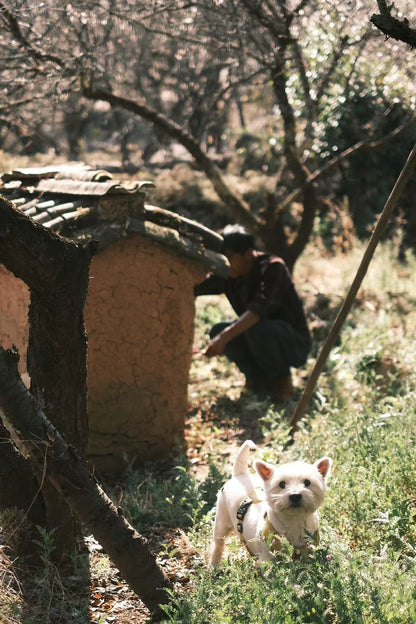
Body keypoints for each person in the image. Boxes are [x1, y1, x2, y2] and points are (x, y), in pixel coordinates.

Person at [194, 225, 311, 401]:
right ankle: (257, 379)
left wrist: (223, 339)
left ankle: (283, 383)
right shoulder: (229, 273)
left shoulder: (272, 268)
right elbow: (194, 287)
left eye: (229, 257)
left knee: (254, 329)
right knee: (218, 330)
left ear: (248, 254)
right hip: (258, 336)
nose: (224, 263)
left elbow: (257, 312)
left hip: (293, 343)